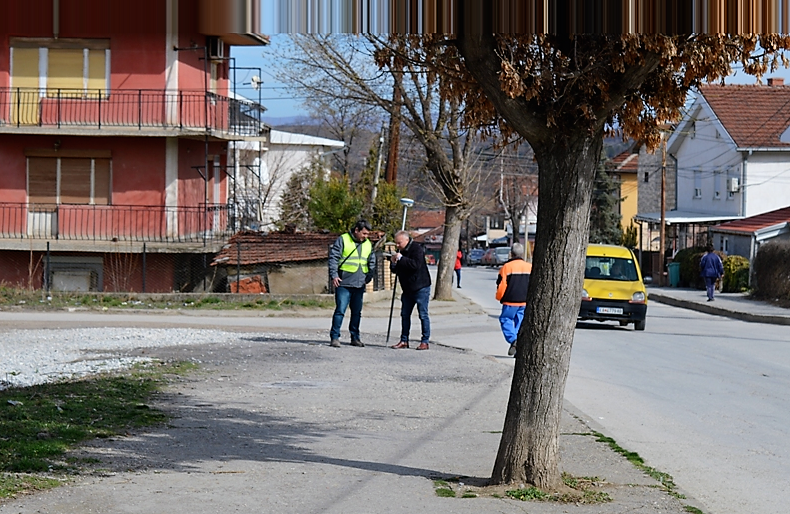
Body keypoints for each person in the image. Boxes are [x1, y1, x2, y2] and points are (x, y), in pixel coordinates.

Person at [328, 220, 376, 347]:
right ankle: (335, 337)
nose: (366, 236)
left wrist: (370, 275)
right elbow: (334, 258)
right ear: (356, 230)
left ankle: (355, 337)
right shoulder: (343, 239)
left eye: (367, 234)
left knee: (356, 312)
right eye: (364, 233)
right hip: (344, 282)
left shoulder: (367, 244)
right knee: (340, 310)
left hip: (360, 283)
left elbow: (371, 260)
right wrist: (334, 275)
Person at [390, 230, 432, 350]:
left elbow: (415, 265)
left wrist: (401, 258)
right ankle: (404, 340)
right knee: (404, 314)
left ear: (406, 240)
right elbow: (396, 269)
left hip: (420, 286)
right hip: (407, 288)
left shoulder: (416, 249)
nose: (397, 245)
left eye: (399, 243)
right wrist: (393, 263)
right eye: (396, 243)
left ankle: (425, 341)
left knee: (423, 314)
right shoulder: (400, 252)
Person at [495, 243, 532, 357]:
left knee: (505, 319)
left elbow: (501, 285)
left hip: (510, 301)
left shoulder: (506, 267)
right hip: (525, 301)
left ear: (511, 253)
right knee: (519, 323)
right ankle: (517, 346)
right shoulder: (529, 267)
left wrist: (499, 297)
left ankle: (513, 340)